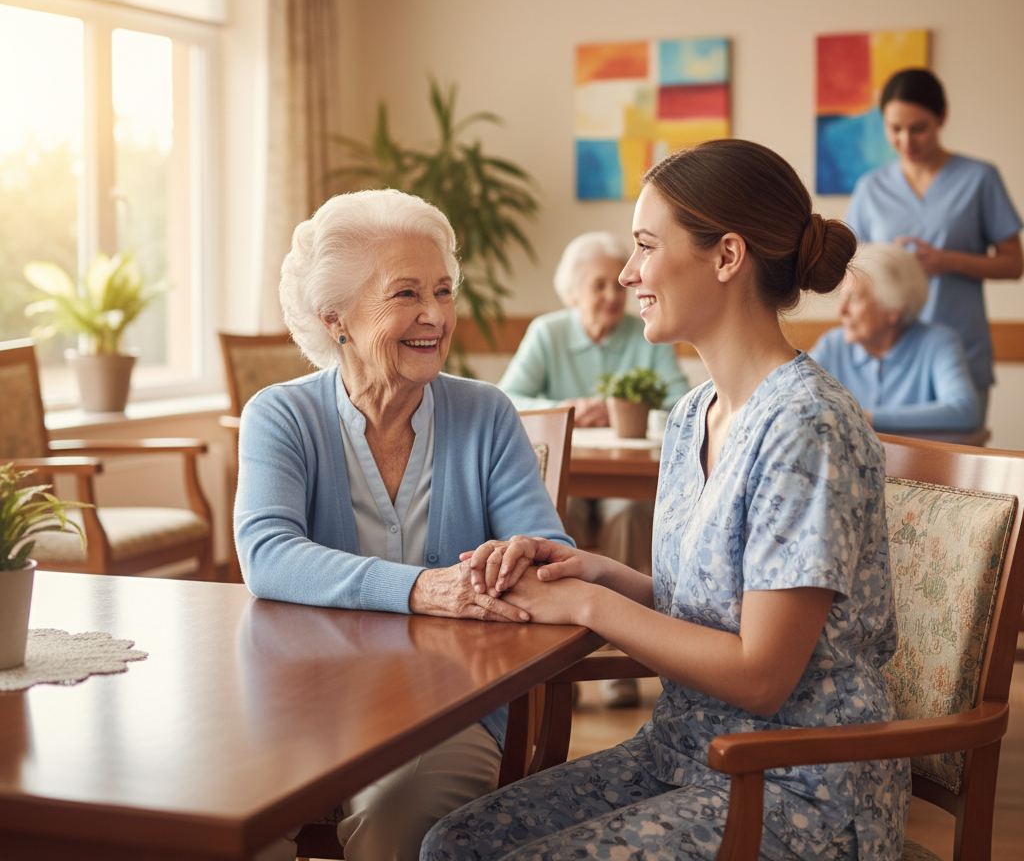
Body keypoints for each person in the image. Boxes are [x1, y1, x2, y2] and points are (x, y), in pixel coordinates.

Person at [424, 139, 910, 861]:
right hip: (684, 751)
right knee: (454, 843)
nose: (627, 274)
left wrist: (592, 608)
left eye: (646, 246)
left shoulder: (809, 426)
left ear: (726, 257)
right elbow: (709, 609)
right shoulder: (693, 416)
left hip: (796, 785)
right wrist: (588, 570)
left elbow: (762, 673)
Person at [234, 188, 574, 861]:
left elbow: (551, 556)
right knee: (231, 828)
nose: (435, 316)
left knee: (396, 816)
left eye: (444, 292)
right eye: (406, 294)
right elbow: (268, 555)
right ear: (336, 319)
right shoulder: (281, 417)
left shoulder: (486, 415)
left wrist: (521, 558)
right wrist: (421, 588)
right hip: (305, 700)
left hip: (448, 710)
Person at [498, 231, 690, 707]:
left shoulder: (647, 331)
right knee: (554, 523)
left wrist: (624, 407)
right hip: (567, 475)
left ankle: (622, 655)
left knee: (627, 512)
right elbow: (507, 399)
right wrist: (565, 406)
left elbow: (680, 403)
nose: (611, 296)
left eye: (615, 286)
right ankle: (559, 661)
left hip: (621, 477)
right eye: (598, 285)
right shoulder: (549, 332)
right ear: (573, 291)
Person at [846, 68, 1023, 423]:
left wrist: (946, 261)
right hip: (888, 353)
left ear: (942, 117)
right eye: (895, 129)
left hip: (961, 346)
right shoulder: (870, 188)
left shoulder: (979, 179)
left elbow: (1013, 264)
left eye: (919, 128)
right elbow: (854, 269)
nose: (906, 140)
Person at [811, 242, 978, 433]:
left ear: (894, 308)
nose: (841, 311)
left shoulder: (939, 343)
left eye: (854, 299)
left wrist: (866, 418)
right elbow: (794, 400)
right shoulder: (832, 345)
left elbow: (964, 410)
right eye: (841, 298)